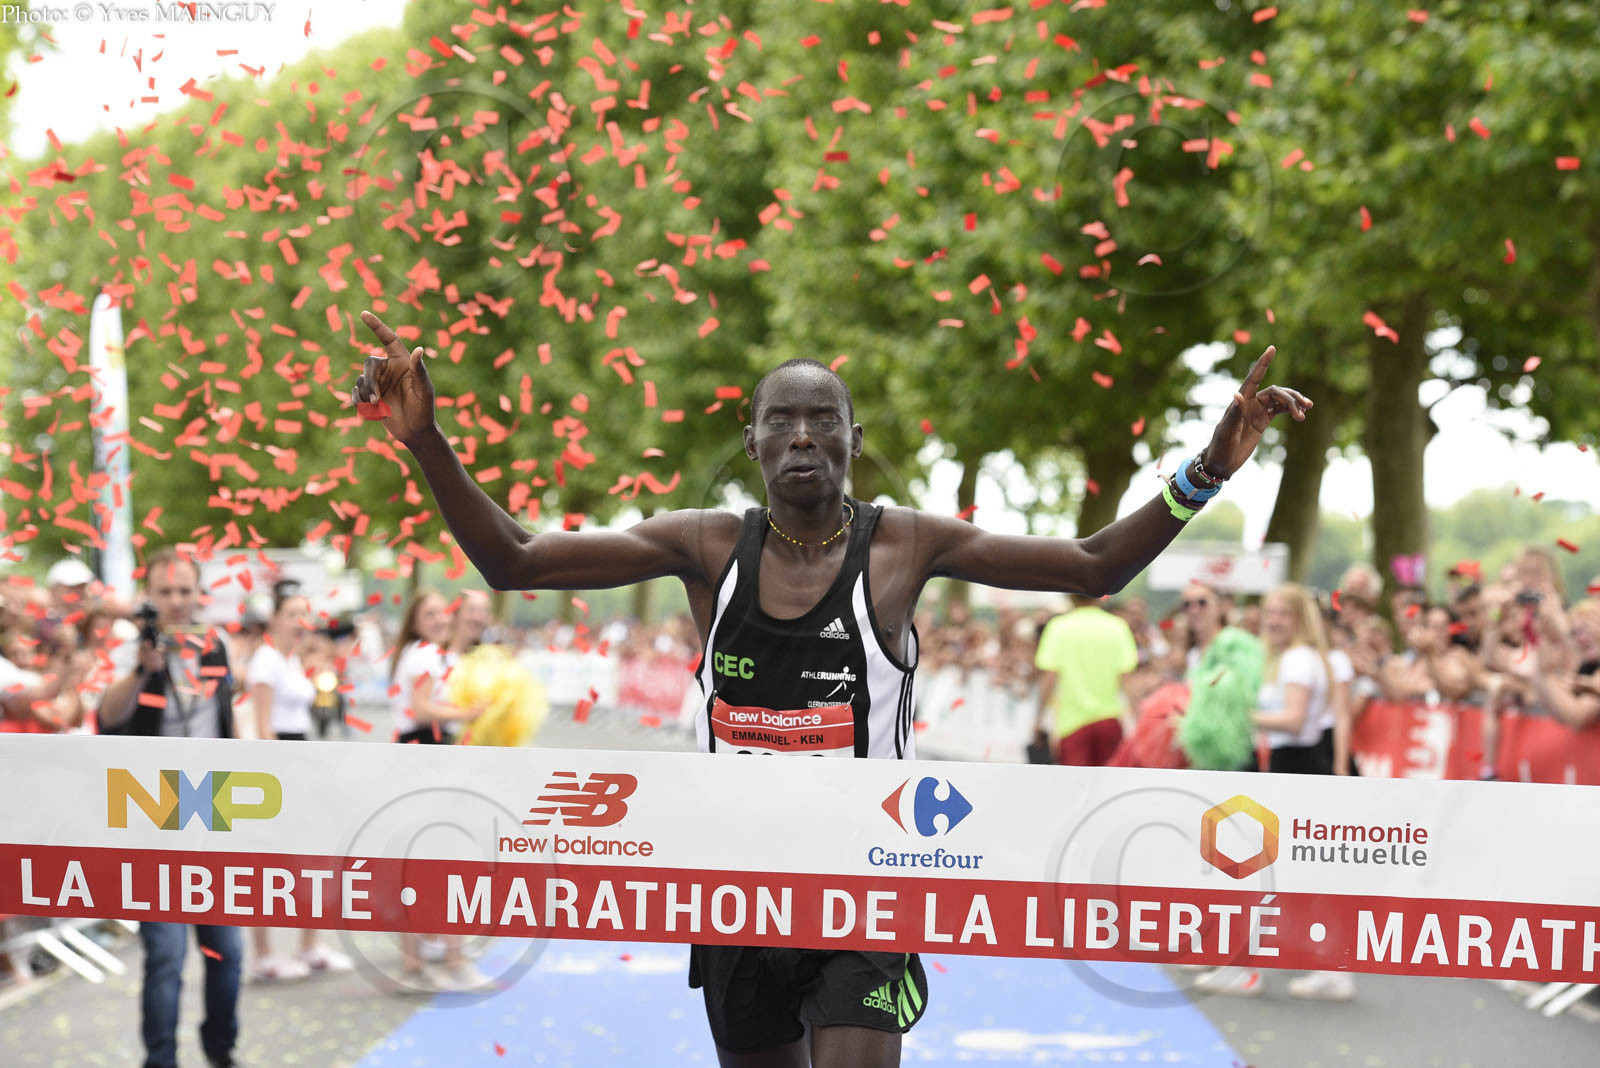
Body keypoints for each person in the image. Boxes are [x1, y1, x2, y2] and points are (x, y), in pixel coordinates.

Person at [351, 309, 1311, 1067]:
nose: (803, 434)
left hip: (866, 881)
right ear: (753, 442)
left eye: (822, 419)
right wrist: (425, 441)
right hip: (738, 885)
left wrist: (1208, 470)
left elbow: (1093, 565)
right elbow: (515, 561)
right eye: (781, 419)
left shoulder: (904, 547)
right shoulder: (705, 545)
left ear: (854, 437)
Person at [96, 546, 244, 1068]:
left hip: (213, 809)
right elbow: (107, 716)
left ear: (198, 594)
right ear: (150, 595)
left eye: (185, 590)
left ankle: (221, 1049)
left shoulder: (216, 644)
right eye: (166, 591)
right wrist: (142, 669)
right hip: (151, 811)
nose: (177, 601)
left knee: (228, 951)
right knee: (165, 954)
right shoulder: (133, 647)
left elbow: (227, 719)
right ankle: (160, 1059)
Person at [1197, 582, 1354, 1002]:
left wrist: (1238, 714)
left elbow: (1294, 719)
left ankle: (1249, 969)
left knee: (1260, 871)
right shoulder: (1295, 658)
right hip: (1295, 768)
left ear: (1300, 617)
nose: (1273, 620)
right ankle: (1324, 968)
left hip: (1297, 768)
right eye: (1269, 612)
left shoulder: (1298, 660)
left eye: (1283, 613)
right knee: (1292, 874)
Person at [245, 584, 354, 982]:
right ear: (274, 618)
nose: (299, 622)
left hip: (299, 758)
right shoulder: (266, 661)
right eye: (291, 614)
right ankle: (264, 955)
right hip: (278, 765)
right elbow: (263, 727)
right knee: (268, 861)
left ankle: (309, 944)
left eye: (303, 614)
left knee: (314, 855)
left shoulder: (289, 660)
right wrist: (282, 777)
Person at [1033, 594, 1139, 766]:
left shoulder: (1058, 627)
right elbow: (1128, 681)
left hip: (1071, 724)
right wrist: (1136, 721)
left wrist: (1038, 719)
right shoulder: (1117, 627)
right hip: (1108, 719)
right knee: (1109, 781)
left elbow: (1049, 678)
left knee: (1075, 782)